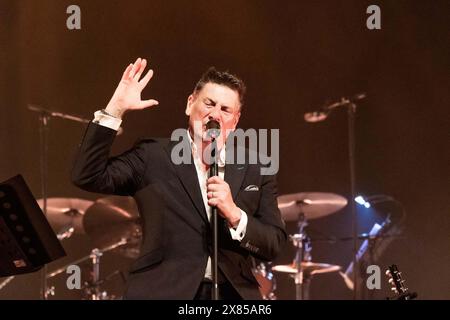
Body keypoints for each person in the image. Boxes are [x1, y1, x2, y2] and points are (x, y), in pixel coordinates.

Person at [71, 57, 286, 300]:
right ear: (189, 104)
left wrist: (235, 214)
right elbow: (87, 175)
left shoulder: (256, 168)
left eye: (225, 110)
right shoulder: (153, 155)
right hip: (164, 290)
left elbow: (273, 244)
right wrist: (115, 109)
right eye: (209, 103)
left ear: (235, 121)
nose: (214, 114)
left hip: (234, 295)